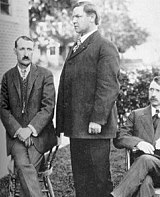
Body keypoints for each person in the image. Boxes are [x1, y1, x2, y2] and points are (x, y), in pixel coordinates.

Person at [56, 1, 120, 197]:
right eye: (72, 17)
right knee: (81, 182)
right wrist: (61, 124)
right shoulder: (76, 47)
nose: (73, 20)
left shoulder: (104, 47)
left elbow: (108, 86)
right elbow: (68, 86)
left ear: (92, 17)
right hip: (77, 127)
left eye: (78, 16)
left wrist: (97, 119)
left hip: (95, 128)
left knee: (99, 181)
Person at [0, 35, 57, 197]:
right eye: (22, 49)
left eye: (29, 49)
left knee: (24, 167)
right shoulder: (8, 77)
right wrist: (19, 131)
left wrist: (30, 129)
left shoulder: (45, 75)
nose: (26, 53)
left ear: (34, 52)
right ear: (15, 51)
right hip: (16, 137)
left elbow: (48, 107)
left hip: (39, 136)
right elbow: (3, 109)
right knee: (26, 167)